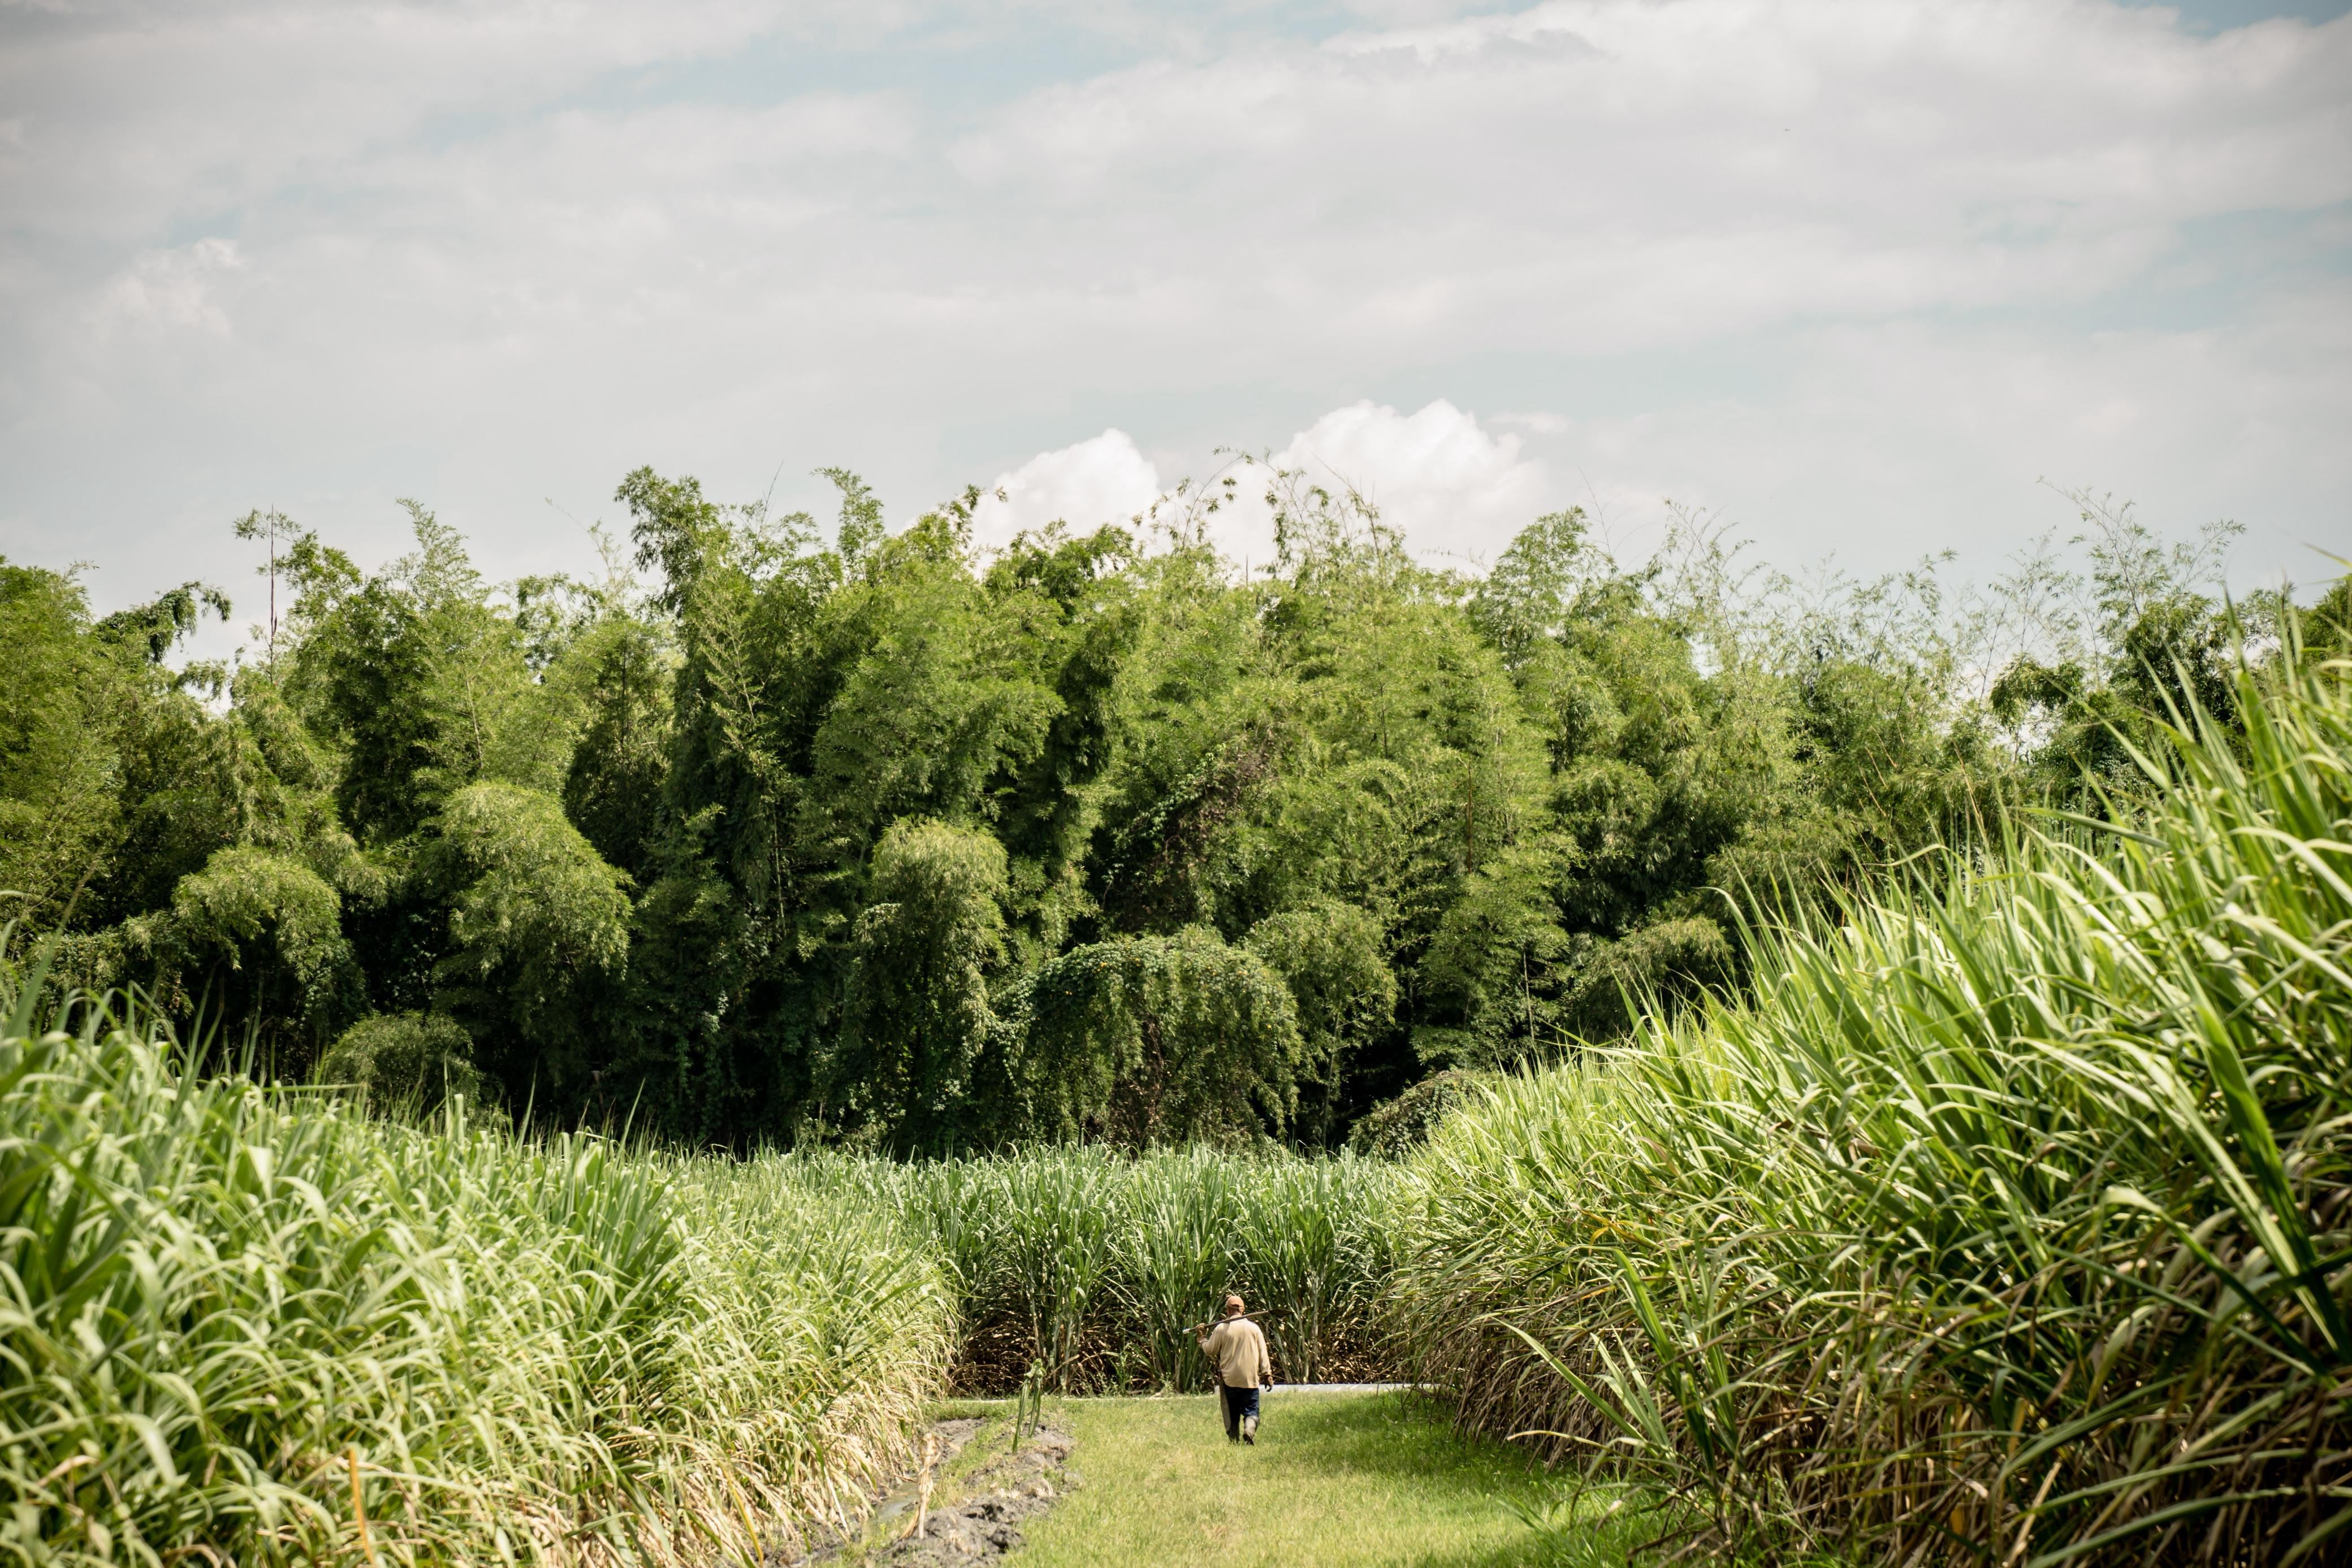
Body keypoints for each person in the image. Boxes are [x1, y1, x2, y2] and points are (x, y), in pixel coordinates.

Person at [1196, 1293, 1273, 1444]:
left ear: (1228, 1310)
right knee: (1252, 1410)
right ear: (1243, 1310)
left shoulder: (1222, 1329)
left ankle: (1234, 1440)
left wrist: (1202, 1339)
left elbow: (1210, 1350)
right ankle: (1249, 1429)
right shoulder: (1254, 1329)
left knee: (1232, 1413)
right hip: (1250, 1379)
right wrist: (1267, 1373)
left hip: (1230, 1379)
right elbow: (1263, 1352)